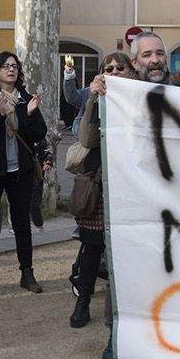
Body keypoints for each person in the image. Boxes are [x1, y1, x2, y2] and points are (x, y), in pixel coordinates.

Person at [0, 51, 50, 295]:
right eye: (5, 66)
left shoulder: (25, 98)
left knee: (22, 223)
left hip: (20, 171)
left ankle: (27, 273)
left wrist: (31, 114)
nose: (11, 70)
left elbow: (37, 133)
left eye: (14, 66)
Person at [67, 52, 131, 328]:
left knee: (125, 248)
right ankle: (82, 303)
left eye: (120, 68)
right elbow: (87, 138)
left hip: (129, 184)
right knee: (92, 247)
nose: (114, 72)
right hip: (99, 182)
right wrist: (93, 98)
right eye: (109, 68)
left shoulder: (140, 98)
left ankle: (121, 305)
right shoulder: (98, 97)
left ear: (131, 71)